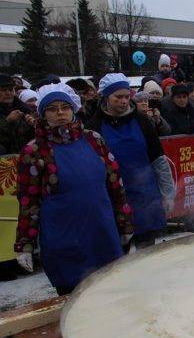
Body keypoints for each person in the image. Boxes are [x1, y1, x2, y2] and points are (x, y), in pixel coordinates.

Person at [14, 83, 134, 295]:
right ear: (42, 114)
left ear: (73, 108)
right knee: (74, 298)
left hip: (101, 231)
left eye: (65, 106)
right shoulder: (34, 151)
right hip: (63, 236)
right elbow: (28, 202)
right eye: (52, 108)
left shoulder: (94, 140)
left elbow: (115, 185)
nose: (60, 112)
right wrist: (25, 243)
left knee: (112, 294)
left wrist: (124, 224)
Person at [87, 73, 175, 249]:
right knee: (118, 255)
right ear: (106, 97)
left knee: (147, 253)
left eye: (127, 96)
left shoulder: (142, 121)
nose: (124, 101)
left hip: (145, 195)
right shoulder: (94, 126)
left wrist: (167, 193)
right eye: (118, 97)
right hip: (113, 199)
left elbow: (158, 158)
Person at [0, 74, 36, 155]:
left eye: (10, 90)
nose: (8, 93)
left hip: (25, 160)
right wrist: (7, 122)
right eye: (3, 90)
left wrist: (33, 125)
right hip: (4, 163)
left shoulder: (24, 109)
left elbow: (35, 138)